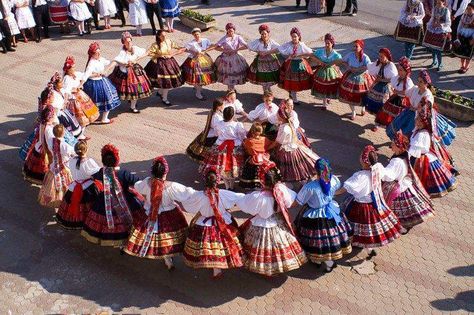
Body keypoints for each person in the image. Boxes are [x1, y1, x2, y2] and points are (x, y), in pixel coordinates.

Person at [124, 156, 195, 270]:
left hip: (149, 213)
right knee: (169, 236)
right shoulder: (172, 186)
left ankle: (166, 259)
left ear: (152, 172)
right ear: (165, 173)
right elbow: (188, 193)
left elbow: (137, 186)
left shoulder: (147, 182)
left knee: (154, 236)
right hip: (169, 214)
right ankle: (168, 259)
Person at [238, 161, 307, 276]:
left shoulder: (258, 197)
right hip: (278, 221)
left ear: (262, 181)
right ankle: (276, 268)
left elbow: (248, 208)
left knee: (260, 249)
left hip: (261, 223)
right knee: (278, 248)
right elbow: (291, 202)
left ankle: (266, 271)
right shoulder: (281, 190)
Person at [181, 168, 244, 279]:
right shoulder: (224, 194)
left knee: (208, 246)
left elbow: (188, 204)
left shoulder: (199, 195)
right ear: (217, 181)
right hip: (222, 222)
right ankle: (217, 268)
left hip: (204, 224)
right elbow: (240, 198)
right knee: (222, 245)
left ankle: (215, 268)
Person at [341, 145, 402, 259]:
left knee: (353, 226)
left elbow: (347, 188)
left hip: (359, 205)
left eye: (360, 156)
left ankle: (353, 243)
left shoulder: (360, 176)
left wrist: (334, 193)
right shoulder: (376, 169)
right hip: (372, 204)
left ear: (363, 161)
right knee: (369, 230)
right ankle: (370, 249)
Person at [295, 158, 353, 272]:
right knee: (330, 240)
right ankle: (327, 262)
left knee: (316, 241)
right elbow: (333, 187)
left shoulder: (310, 187)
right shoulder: (335, 180)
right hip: (331, 210)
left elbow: (299, 201)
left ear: (316, 171)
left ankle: (327, 262)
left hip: (315, 215)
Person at [81, 144, 145, 246]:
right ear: (116, 159)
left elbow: (94, 176)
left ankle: (116, 240)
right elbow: (137, 182)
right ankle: (125, 241)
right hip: (125, 199)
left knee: (106, 219)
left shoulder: (101, 172)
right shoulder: (124, 173)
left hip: (105, 201)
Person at [387, 69, 456, 147]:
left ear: (426, 84)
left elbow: (425, 110)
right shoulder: (415, 89)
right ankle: (397, 143)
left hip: (420, 117)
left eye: (421, 82)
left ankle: (404, 147)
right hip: (409, 112)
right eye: (418, 81)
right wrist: (397, 91)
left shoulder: (428, 95)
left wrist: (416, 110)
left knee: (409, 132)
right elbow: (406, 93)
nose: (418, 83)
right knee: (397, 125)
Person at [382, 131, 434, 232]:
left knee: (392, 209)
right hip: (405, 184)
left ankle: (398, 227)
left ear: (399, 147)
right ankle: (402, 226)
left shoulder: (396, 162)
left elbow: (388, 176)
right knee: (403, 211)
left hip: (396, 187)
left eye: (393, 144)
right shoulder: (405, 154)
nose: (391, 145)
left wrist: (378, 169)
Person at [408, 100, 457, 197]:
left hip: (422, 159)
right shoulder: (419, 130)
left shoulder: (422, 134)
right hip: (421, 155)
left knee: (422, 182)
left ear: (422, 123)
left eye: (418, 120)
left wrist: (406, 153)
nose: (415, 120)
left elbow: (416, 151)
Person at [56, 140, 101, 229]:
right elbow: (97, 172)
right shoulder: (89, 161)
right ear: (86, 150)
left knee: (72, 204)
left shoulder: (72, 160)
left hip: (74, 186)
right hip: (88, 188)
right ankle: (88, 222)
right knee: (90, 206)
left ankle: (74, 222)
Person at [199, 106, 247, 190]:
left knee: (221, 168)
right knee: (233, 168)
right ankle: (231, 186)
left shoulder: (219, 124)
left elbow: (217, 134)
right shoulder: (238, 125)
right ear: (233, 116)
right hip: (234, 147)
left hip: (220, 147)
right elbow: (242, 135)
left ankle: (227, 186)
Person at [273, 100, 319, 183]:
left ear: (281, 117)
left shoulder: (284, 128)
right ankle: (303, 180)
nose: (276, 116)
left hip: (287, 149)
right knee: (298, 165)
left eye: (278, 115)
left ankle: (295, 181)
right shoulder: (287, 125)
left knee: (290, 166)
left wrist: (268, 147)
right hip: (294, 146)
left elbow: (278, 142)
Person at [109, 32, 152, 113]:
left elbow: (146, 53)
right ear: (123, 42)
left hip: (135, 71)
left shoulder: (135, 48)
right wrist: (107, 69)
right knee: (124, 89)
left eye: (130, 41)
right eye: (127, 41)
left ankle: (133, 106)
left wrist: (136, 60)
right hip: (125, 73)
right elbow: (116, 61)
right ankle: (128, 101)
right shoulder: (122, 52)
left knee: (137, 88)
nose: (129, 43)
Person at [83, 42, 121, 124]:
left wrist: (116, 62)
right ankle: (98, 117)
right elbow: (87, 75)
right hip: (94, 84)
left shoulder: (100, 59)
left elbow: (108, 62)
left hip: (102, 81)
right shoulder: (91, 63)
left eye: (99, 52)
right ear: (93, 54)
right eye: (97, 53)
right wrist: (96, 74)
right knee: (100, 100)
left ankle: (104, 118)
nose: (99, 54)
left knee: (106, 98)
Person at [144, 30, 185, 106]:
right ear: (159, 36)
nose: (164, 37)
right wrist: (159, 55)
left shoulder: (169, 41)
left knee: (166, 81)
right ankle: (164, 98)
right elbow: (149, 53)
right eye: (163, 36)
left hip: (169, 63)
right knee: (164, 81)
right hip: (158, 65)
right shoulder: (155, 45)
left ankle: (161, 93)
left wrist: (173, 54)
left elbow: (180, 48)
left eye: (165, 35)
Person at [38, 124, 75, 208]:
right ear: (63, 133)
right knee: (65, 184)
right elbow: (73, 152)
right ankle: (63, 201)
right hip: (64, 167)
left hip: (53, 166)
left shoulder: (51, 140)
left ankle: (50, 198)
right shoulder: (65, 146)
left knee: (51, 185)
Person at [337, 39, 373, 120]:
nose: (354, 48)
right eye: (354, 46)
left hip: (362, 77)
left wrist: (358, 69)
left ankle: (363, 107)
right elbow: (343, 61)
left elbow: (369, 66)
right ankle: (353, 111)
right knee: (349, 94)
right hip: (351, 76)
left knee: (363, 94)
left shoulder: (365, 57)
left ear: (361, 47)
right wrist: (349, 67)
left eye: (356, 46)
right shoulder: (350, 55)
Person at [375, 57, 414, 127]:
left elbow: (407, 93)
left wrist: (397, 92)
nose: (399, 72)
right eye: (399, 70)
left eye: (401, 70)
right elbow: (393, 85)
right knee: (387, 114)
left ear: (406, 71)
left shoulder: (408, 81)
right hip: (394, 99)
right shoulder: (397, 78)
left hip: (403, 102)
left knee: (399, 118)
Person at [278, 27, 313, 105]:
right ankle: (294, 97)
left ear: (299, 36)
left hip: (300, 64)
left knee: (298, 82)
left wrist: (299, 55)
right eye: (292, 36)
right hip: (290, 64)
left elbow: (310, 53)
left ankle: (293, 95)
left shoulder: (301, 45)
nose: (294, 38)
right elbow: (280, 49)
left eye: (295, 36)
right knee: (291, 81)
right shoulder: (288, 44)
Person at [364, 48, 398, 127]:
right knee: (374, 103)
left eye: (382, 57)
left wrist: (382, 79)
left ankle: (380, 123)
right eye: (379, 56)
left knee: (382, 105)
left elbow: (393, 78)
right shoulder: (378, 63)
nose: (380, 58)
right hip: (378, 86)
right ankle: (376, 123)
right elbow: (371, 69)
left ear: (387, 57)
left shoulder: (391, 65)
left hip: (386, 87)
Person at [62, 56, 100, 127]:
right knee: (79, 116)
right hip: (74, 99)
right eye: (72, 67)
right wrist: (65, 101)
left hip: (80, 95)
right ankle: (79, 130)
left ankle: (81, 129)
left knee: (86, 112)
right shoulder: (67, 79)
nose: (74, 69)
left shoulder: (76, 74)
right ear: (68, 70)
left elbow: (85, 75)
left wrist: (95, 74)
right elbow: (66, 91)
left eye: (74, 67)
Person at [309, 33, 342, 109]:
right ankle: (324, 104)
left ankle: (328, 98)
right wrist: (320, 62)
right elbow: (312, 55)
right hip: (322, 71)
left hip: (332, 72)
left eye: (328, 43)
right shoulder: (321, 51)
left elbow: (340, 60)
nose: (327, 45)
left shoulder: (335, 54)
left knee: (331, 86)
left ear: (332, 43)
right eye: (326, 43)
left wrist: (332, 64)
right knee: (323, 86)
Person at [211, 23, 248, 91]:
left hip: (235, 57)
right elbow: (216, 47)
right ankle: (230, 89)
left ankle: (232, 87)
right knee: (227, 74)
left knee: (235, 72)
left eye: (232, 30)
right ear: (227, 30)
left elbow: (246, 46)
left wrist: (237, 49)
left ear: (234, 30)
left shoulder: (238, 37)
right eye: (229, 30)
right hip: (226, 58)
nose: (231, 32)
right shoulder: (224, 38)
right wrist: (224, 50)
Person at [23, 105, 55, 185]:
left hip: (38, 146)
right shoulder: (49, 129)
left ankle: (31, 177)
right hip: (44, 149)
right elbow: (49, 142)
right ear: (50, 117)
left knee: (34, 166)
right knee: (42, 167)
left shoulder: (42, 123)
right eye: (53, 115)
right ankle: (42, 180)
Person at [181, 27, 216, 100]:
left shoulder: (205, 40)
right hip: (195, 60)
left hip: (205, 59)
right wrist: (193, 52)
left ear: (200, 34)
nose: (197, 36)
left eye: (198, 34)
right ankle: (198, 93)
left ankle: (197, 88)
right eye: (195, 35)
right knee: (198, 76)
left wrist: (206, 50)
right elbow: (185, 49)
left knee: (204, 75)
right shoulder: (191, 43)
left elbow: (212, 46)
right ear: (193, 35)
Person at [49, 72, 86, 140]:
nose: (62, 83)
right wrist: (62, 106)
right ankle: (72, 139)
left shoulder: (61, 90)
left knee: (73, 123)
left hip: (65, 111)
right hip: (60, 115)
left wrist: (66, 101)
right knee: (68, 127)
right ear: (56, 84)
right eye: (60, 83)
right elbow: (54, 107)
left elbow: (66, 92)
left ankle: (78, 136)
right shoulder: (53, 94)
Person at [186, 98, 224, 162]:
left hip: (208, 132)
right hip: (213, 134)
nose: (223, 106)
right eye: (222, 105)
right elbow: (217, 129)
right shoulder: (217, 117)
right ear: (218, 106)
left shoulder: (211, 111)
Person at [247, 24, 282, 93]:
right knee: (263, 75)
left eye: (265, 33)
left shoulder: (271, 41)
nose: (263, 35)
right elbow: (250, 46)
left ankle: (268, 88)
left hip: (270, 60)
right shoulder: (258, 41)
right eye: (262, 34)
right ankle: (265, 90)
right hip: (261, 61)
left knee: (270, 75)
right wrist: (258, 52)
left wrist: (268, 52)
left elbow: (279, 48)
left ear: (268, 33)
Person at [239, 122, 275, 189]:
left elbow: (247, 150)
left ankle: (252, 186)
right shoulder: (265, 139)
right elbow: (271, 145)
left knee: (251, 172)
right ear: (261, 131)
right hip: (264, 158)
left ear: (252, 131)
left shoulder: (248, 141)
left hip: (254, 159)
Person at [422, 0, 451, 70]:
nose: (437, 4)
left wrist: (440, 24)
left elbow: (448, 22)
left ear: (443, 2)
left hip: (441, 30)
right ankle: (434, 61)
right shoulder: (435, 8)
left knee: (438, 49)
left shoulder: (446, 10)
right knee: (432, 47)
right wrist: (431, 24)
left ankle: (440, 64)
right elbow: (432, 18)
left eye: (439, 2)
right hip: (433, 28)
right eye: (437, 2)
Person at [453, 1, 474, 73]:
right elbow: (460, 25)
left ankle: (466, 66)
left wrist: (473, 39)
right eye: (467, 8)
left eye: (470, 9)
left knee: (468, 53)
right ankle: (462, 65)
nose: (468, 10)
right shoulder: (464, 15)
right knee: (462, 52)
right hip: (462, 35)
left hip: (470, 37)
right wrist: (457, 34)